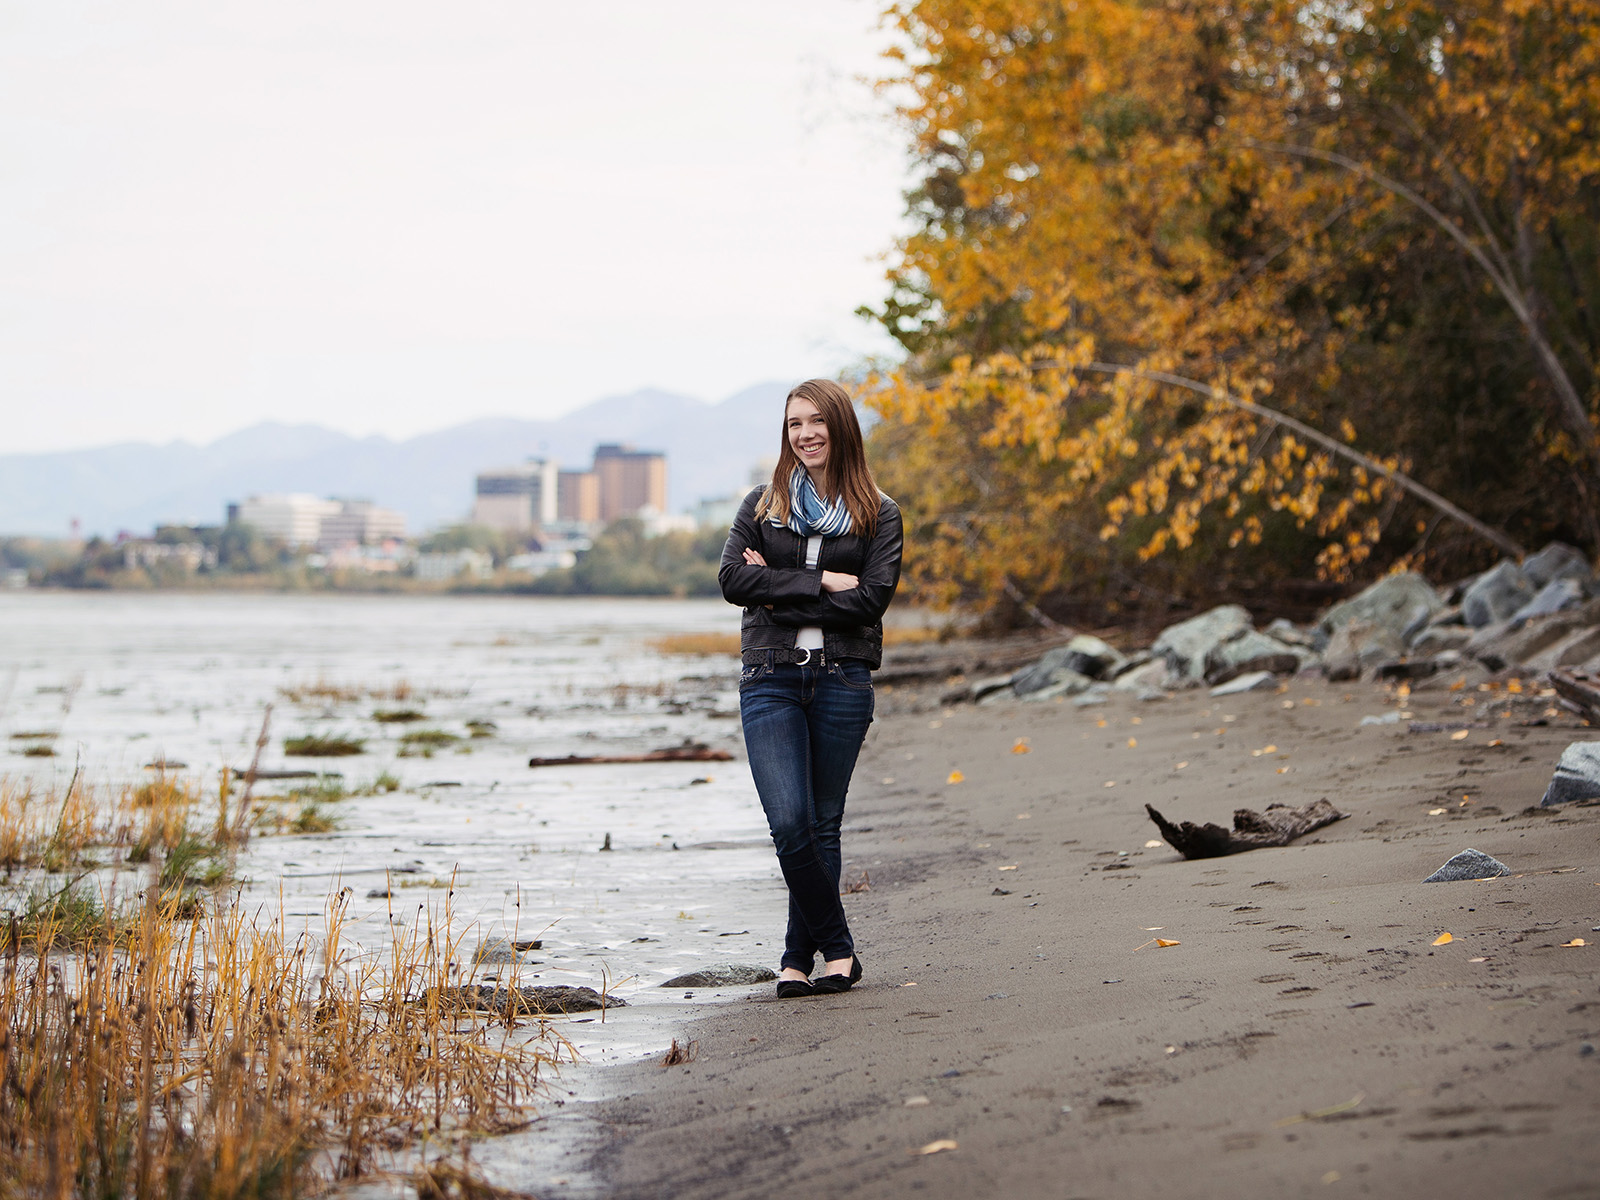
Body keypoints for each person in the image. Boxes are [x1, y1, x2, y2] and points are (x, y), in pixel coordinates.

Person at [718, 379, 904, 999]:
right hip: (769, 679)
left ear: (841, 427)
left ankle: (799, 959)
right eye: (795, 424)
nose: (805, 434)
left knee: (823, 824)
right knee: (790, 822)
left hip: (843, 680)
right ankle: (842, 949)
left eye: (817, 422)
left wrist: (778, 584)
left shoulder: (879, 514)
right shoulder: (762, 505)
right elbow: (731, 581)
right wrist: (822, 581)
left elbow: (871, 601)